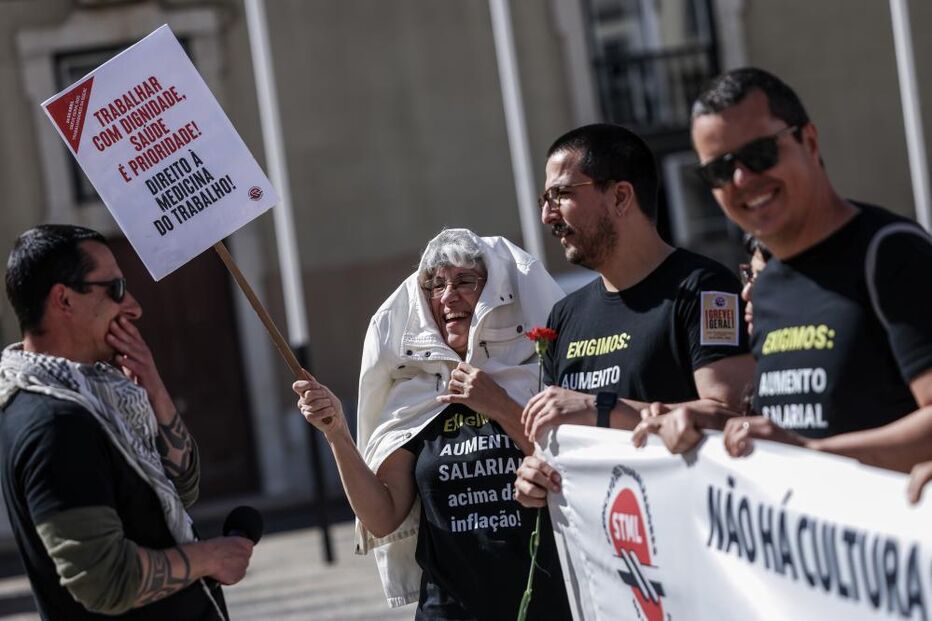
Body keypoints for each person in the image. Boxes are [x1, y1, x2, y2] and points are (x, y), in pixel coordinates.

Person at [292, 229, 570, 619]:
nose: (448, 296)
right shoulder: (414, 395)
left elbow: (568, 472)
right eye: (436, 285)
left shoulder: (534, 377)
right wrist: (338, 433)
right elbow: (383, 515)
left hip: (541, 602)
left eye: (464, 282)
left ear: (496, 294)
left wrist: (497, 403)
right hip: (449, 609)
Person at [0, 225, 253, 620]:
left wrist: (154, 389)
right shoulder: (55, 422)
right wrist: (210, 557)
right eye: (115, 289)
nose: (133, 307)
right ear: (63, 299)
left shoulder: (97, 396)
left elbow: (182, 487)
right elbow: (104, 580)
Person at [687, 68, 932, 456]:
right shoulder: (765, 287)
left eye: (759, 154)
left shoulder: (889, 252)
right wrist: (710, 424)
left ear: (810, 141)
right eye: (719, 170)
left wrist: (812, 453)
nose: (741, 178)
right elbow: (787, 426)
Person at [515, 123, 754, 508]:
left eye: (561, 194)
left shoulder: (706, 289)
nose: (547, 215)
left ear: (621, 197)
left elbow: (731, 414)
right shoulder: (564, 315)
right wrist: (535, 473)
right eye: (545, 199)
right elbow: (555, 433)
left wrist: (600, 407)